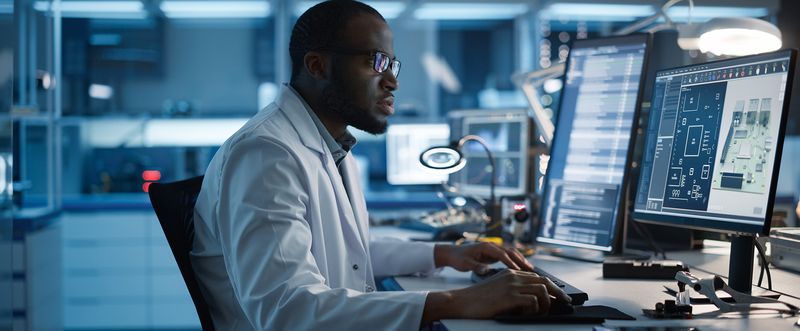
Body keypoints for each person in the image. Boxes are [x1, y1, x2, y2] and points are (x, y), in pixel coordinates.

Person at [192, 0, 570, 329]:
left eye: (392, 64)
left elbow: (347, 256)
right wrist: (461, 301)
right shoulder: (266, 153)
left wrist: (445, 254)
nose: (392, 81)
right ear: (317, 65)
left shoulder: (331, 145)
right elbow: (286, 312)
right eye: (376, 62)